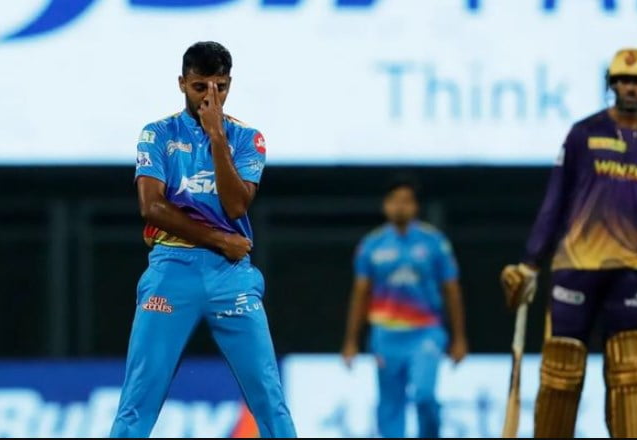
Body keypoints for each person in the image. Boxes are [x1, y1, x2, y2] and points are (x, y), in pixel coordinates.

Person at [500, 48, 637, 438]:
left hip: (629, 272)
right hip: (577, 266)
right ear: (612, 85)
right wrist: (531, 262)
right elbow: (555, 201)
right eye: (624, 80)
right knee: (560, 373)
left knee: (629, 376)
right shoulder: (583, 135)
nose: (631, 88)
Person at [110, 41, 296, 438]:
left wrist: (216, 136)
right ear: (182, 83)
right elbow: (151, 207)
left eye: (220, 87)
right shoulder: (157, 134)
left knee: (269, 398)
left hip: (231, 278)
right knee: (138, 400)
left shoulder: (247, 138)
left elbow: (235, 205)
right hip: (171, 271)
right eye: (200, 87)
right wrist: (218, 240)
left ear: (230, 85)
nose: (210, 98)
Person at [341, 175, 468, 438]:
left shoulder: (434, 242)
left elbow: (452, 290)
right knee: (390, 406)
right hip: (386, 336)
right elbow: (361, 294)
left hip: (425, 332)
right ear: (385, 205)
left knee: (424, 395)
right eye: (394, 201)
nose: (400, 207)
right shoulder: (372, 245)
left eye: (406, 201)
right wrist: (351, 341)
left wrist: (459, 338)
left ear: (415, 206)